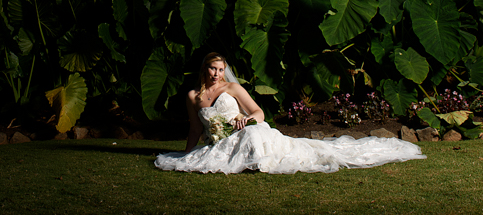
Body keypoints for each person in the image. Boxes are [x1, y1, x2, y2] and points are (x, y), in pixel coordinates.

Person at [154, 52, 426, 174]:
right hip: (218, 142)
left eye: (221, 69)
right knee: (199, 160)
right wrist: (188, 152)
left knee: (254, 138)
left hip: (243, 131)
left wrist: (247, 119)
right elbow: (195, 128)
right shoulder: (194, 96)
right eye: (213, 69)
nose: (217, 74)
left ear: (225, 71)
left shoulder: (233, 88)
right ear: (205, 69)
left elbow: (259, 113)